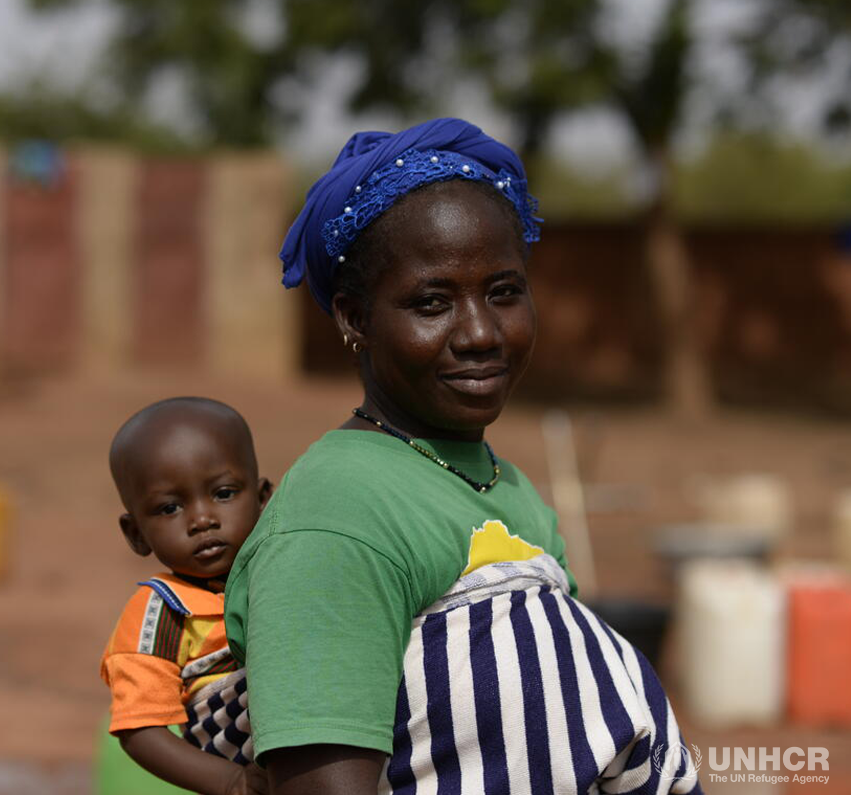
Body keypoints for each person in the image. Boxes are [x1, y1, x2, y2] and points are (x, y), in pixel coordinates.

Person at [223, 118, 703, 795]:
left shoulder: (513, 494)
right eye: (431, 302)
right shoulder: (338, 515)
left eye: (503, 292)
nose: (480, 333)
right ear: (354, 318)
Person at [101, 397, 272, 795]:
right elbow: (139, 728)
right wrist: (231, 782)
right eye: (170, 507)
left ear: (263, 498)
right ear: (137, 534)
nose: (202, 520)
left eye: (224, 493)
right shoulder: (162, 613)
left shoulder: (288, 568)